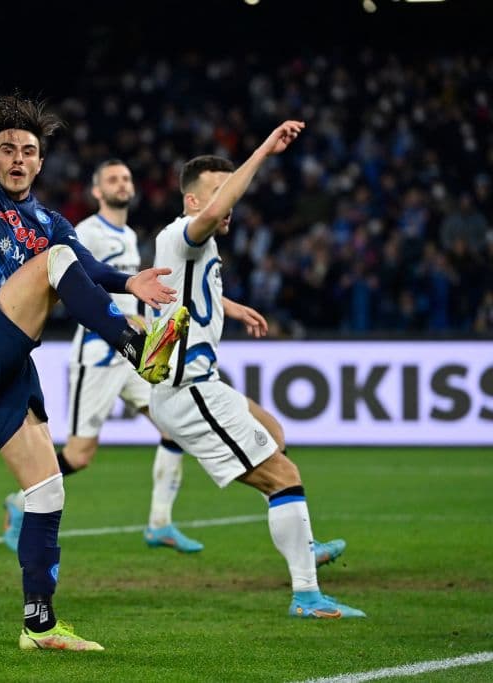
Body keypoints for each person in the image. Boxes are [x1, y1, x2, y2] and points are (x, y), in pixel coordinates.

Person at [0, 8, 188, 651]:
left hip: (5, 370)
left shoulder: (51, 221)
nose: (18, 157)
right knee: (56, 263)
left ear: (39, 163)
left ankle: (39, 624)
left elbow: (87, 267)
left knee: (47, 489)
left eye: (28, 150)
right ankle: (135, 348)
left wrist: (130, 282)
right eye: (7, 147)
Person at [148, 121, 365, 618]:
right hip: (189, 389)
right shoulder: (182, 233)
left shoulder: (191, 247)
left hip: (198, 384)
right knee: (282, 476)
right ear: (193, 202)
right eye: (217, 193)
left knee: (274, 431)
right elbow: (216, 215)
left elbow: (186, 287)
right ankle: (306, 593)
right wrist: (265, 148)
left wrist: (229, 305)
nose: (228, 203)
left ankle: (301, 547)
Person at [2, 159, 203, 554]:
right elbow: (79, 285)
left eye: (127, 177)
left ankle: (159, 523)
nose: (121, 183)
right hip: (98, 353)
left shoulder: (128, 234)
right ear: (97, 191)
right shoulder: (86, 232)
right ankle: (20, 500)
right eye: (112, 178)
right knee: (79, 454)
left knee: (173, 426)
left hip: (134, 354)